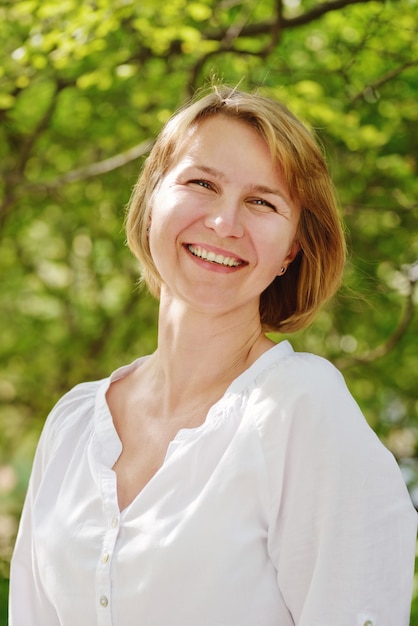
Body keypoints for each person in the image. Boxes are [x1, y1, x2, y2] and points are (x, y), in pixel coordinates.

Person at [9, 86, 417, 626]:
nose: (225, 223)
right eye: (202, 183)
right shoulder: (73, 425)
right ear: (151, 200)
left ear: (290, 251)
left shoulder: (300, 409)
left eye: (262, 202)